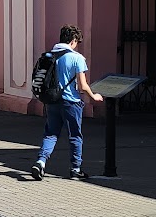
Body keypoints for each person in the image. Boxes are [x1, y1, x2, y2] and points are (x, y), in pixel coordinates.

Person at [31, 25, 103, 181]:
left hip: (52, 100)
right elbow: (83, 86)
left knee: (51, 133)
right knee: (75, 136)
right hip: (71, 102)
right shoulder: (77, 58)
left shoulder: (50, 55)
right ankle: (76, 169)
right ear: (73, 40)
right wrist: (93, 96)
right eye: (77, 42)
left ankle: (41, 162)